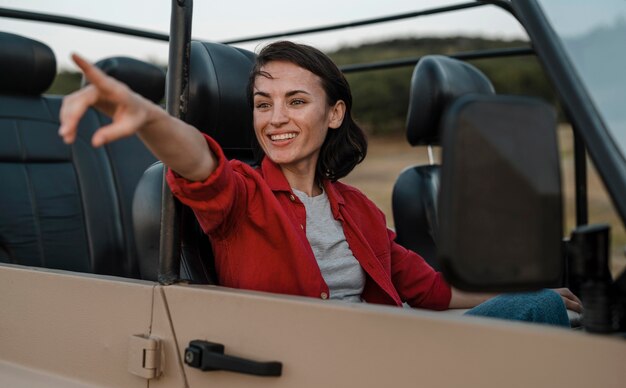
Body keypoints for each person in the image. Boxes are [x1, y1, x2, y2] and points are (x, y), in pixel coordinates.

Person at [58, 40, 582, 325]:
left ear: (334, 114)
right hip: (328, 375)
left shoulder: (357, 208)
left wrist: (537, 289)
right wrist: (148, 117)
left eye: (296, 101)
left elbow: (432, 291)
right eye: (263, 104)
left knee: (540, 304)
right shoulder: (242, 193)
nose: (275, 119)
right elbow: (198, 161)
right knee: (538, 314)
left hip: (398, 349)